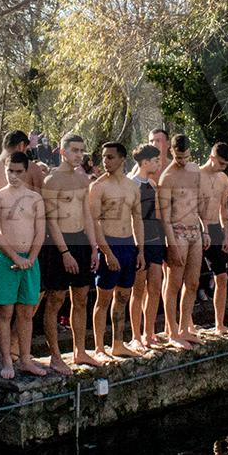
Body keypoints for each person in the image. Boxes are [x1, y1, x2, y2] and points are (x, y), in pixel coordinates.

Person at [40, 134, 99, 373]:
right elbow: (51, 220)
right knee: (56, 299)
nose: (79, 155)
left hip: (81, 240)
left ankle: (80, 351)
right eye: (74, 150)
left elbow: (87, 214)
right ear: (62, 151)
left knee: (81, 297)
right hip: (58, 243)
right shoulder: (52, 180)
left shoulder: (83, 178)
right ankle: (55, 356)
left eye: (82, 150)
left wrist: (93, 247)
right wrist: (64, 252)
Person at [0, 150, 46, 379]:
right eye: (10, 171)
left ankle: (25, 358)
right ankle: (6, 359)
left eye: (18, 171)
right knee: (4, 310)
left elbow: (40, 232)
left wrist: (30, 258)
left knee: (26, 311)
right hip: (5, 260)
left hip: (29, 260)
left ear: (26, 171)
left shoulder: (35, 199)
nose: (14, 175)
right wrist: (15, 257)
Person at [88, 142, 143, 359]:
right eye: (103, 157)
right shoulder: (98, 186)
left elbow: (137, 219)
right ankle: (99, 347)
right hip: (109, 243)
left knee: (122, 297)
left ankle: (118, 344)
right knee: (103, 299)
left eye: (110, 157)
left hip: (128, 244)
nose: (105, 161)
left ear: (122, 159)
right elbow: (94, 222)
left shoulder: (132, 187)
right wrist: (107, 252)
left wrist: (141, 250)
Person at [157, 135, 204, 347]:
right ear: (172, 152)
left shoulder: (195, 170)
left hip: (195, 230)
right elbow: (165, 217)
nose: (182, 161)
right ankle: (172, 331)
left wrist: (205, 229)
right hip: (177, 231)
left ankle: (185, 327)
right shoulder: (167, 177)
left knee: (193, 282)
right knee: (174, 283)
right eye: (178, 157)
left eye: (185, 157)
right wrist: (172, 244)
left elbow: (199, 201)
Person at [129, 144, 165, 349]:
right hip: (138, 243)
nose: (159, 164)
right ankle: (136, 335)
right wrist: (138, 248)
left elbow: (156, 215)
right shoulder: (131, 184)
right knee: (138, 290)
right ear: (145, 162)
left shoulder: (152, 184)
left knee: (155, 288)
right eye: (156, 161)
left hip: (155, 241)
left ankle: (149, 333)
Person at [197, 142, 228, 333]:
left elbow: (224, 208)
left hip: (216, 228)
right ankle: (183, 325)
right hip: (196, 227)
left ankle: (219, 324)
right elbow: (191, 206)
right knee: (190, 280)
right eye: (220, 163)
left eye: (226, 164)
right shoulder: (196, 175)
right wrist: (203, 230)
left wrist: (226, 234)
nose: (222, 167)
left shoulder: (223, 178)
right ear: (211, 157)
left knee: (222, 276)